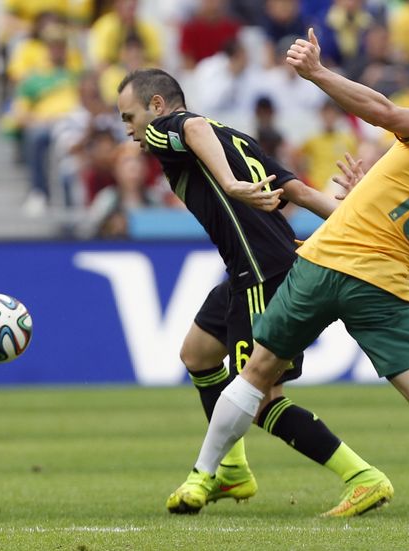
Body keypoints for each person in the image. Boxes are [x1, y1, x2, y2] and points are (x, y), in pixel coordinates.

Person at [168, 28, 409, 519]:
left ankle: (204, 475)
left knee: (256, 376)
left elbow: (382, 110)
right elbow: (408, 226)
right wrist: (361, 199)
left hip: (321, 265)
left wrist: (316, 72)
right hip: (382, 285)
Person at [117, 68, 388, 516]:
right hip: (252, 269)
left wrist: (230, 184)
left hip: (263, 273)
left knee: (260, 398)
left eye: (130, 117)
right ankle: (233, 472)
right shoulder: (235, 135)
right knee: (199, 354)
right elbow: (296, 190)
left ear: (158, 106)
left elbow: (193, 126)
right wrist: (351, 216)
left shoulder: (173, 129)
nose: (128, 130)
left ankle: (362, 476)